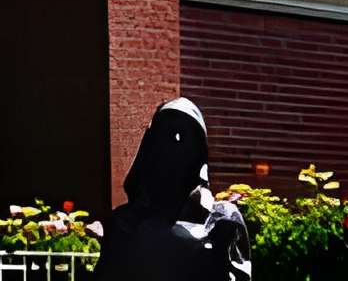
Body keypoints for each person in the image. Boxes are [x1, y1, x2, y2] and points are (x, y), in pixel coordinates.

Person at [95, 98, 250, 281]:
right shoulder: (122, 225)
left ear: (198, 150)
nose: (174, 145)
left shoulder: (222, 222)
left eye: (184, 136)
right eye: (166, 135)